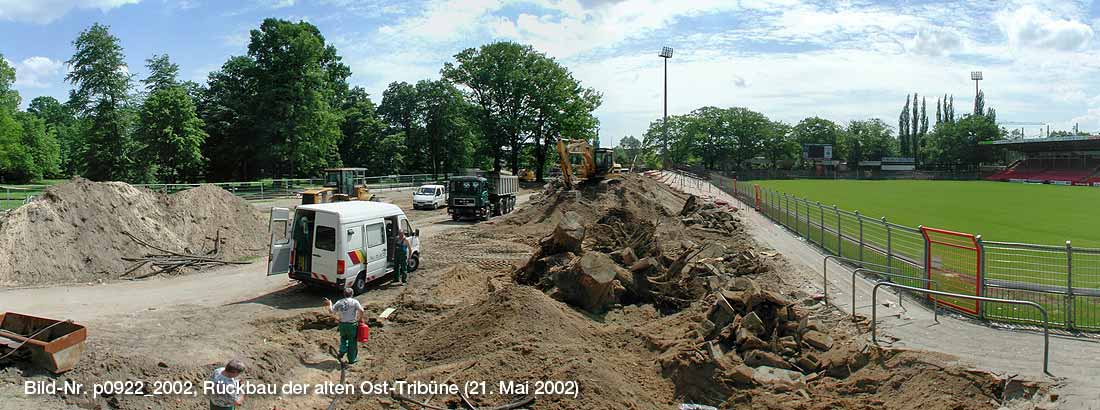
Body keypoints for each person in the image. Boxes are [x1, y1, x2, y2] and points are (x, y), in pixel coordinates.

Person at [324, 288, 364, 364]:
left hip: (342, 324)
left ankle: (343, 349)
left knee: (343, 338)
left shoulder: (339, 302)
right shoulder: (355, 302)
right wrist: (360, 319)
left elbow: (331, 311)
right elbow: (361, 311)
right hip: (352, 324)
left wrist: (329, 303)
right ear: (352, 294)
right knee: (352, 342)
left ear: (344, 294)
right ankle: (352, 360)